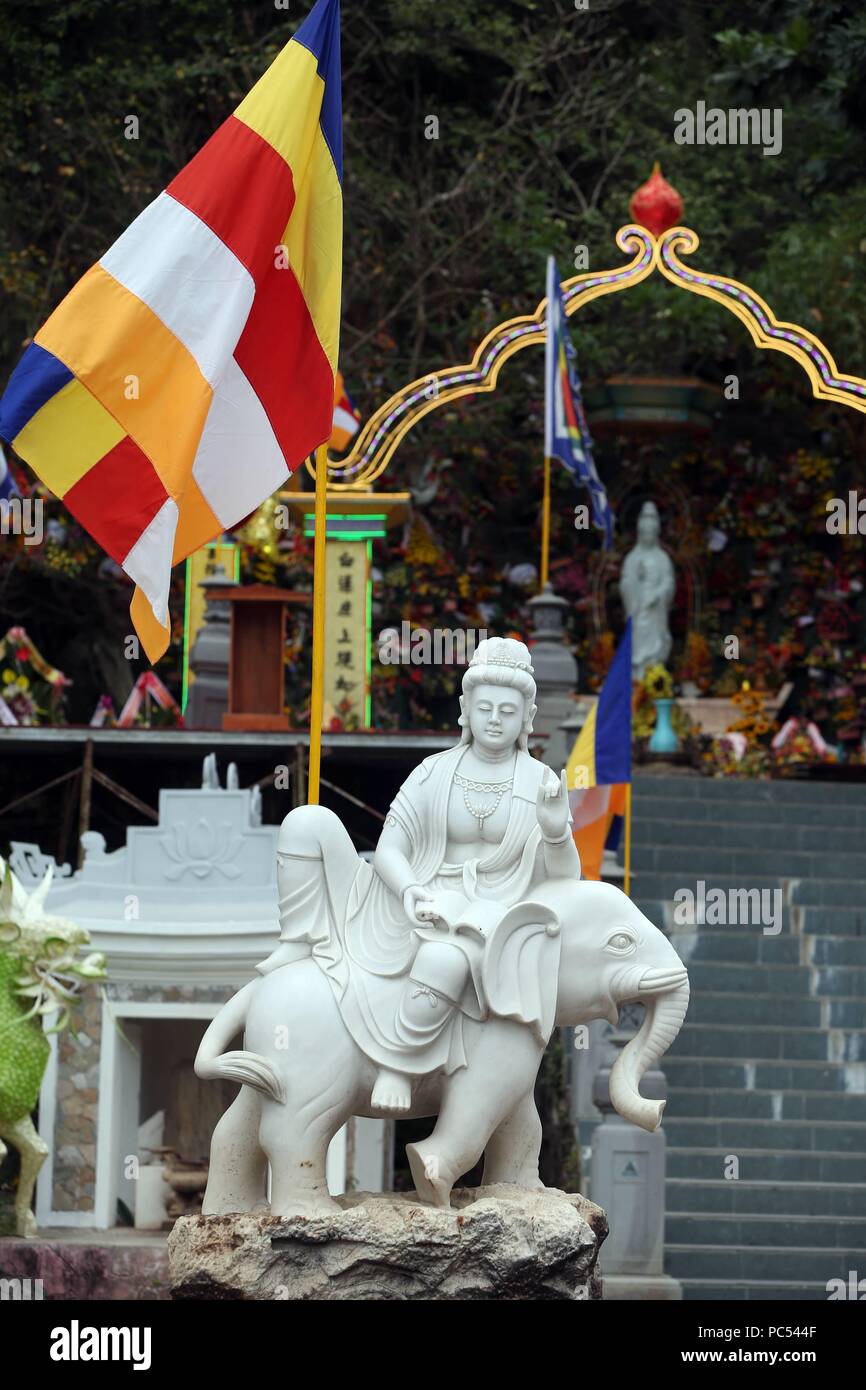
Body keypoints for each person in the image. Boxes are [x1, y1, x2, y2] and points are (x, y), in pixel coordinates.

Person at [259, 637, 581, 1113]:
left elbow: (566, 885)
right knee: (307, 822)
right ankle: (300, 938)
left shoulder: (539, 782)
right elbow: (390, 847)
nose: (494, 719)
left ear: (526, 720)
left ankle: (399, 1062)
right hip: (412, 897)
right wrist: (409, 889)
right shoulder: (434, 771)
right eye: (485, 707)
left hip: (487, 914)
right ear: (464, 710)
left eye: (508, 711)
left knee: (446, 960)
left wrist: (555, 831)